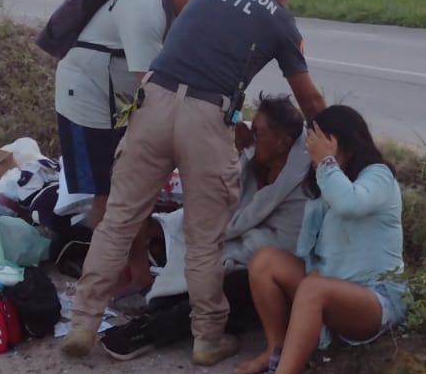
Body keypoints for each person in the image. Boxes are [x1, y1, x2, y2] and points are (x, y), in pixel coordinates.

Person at [61, 0, 325, 367]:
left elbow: (193, 48)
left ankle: (82, 324)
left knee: (119, 219)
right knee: (205, 236)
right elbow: (308, 98)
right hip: (206, 116)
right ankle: (207, 338)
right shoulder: (279, 17)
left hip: (155, 99)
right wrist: (336, 141)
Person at [54, 0, 242, 291]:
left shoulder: (178, 12)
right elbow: (157, 87)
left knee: (131, 190)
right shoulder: (146, 4)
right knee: (107, 195)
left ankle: (137, 275)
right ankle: (109, 282)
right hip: (85, 98)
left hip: (121, 99)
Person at [237, 104, 409, 374]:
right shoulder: (325, 180)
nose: (310, 154)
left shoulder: (379, 176)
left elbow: (350, 204)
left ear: (338, 142)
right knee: (265, 261)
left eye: (317, 145)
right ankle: (276, 351)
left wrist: (326, 162)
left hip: (375, 298)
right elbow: (312, 244)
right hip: (330, 285)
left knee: (313, 288)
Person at [100, 95, 308, 359]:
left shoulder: (301, 184)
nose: (251, 137)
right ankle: (150, 317)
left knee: (226, 282)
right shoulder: (255, 162)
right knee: (196, 255)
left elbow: (287, 242)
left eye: (258, 132)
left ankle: (152, 330)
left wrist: (232, 244)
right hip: (235, 245)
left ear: (283, 143)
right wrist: (233, 151)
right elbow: (221, 202)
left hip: (264, 269)